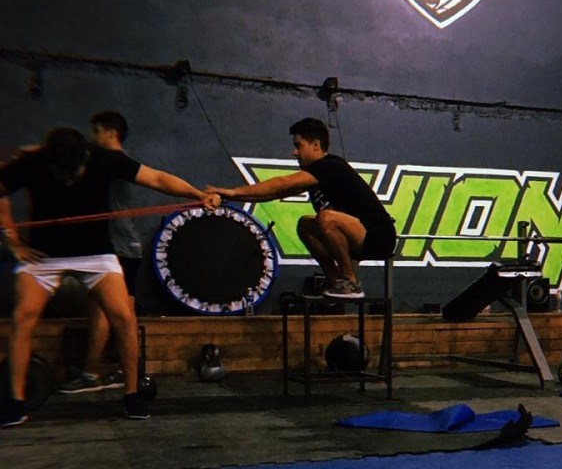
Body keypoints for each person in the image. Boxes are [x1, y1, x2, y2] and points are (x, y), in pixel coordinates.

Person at [0, 127, 220, 427]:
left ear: (85, 157)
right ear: (50, 161)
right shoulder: (33, 162)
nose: (69, 180)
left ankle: (132, 395)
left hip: (96, 255)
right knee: (22, 318)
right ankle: (15, 403)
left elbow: (156, 178)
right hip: (45, 256)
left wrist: (198, 195)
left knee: (124, 316)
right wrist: (13, 241)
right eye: (62, 174)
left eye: (74, 172)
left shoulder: (103, 159)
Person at [206, 117, 396, 299]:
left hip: (379, 236)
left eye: (299, 146)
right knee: (305, 224)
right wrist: (228, 197)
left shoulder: (330, 165)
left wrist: (233, 192)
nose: (294, 152)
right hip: (356, 235)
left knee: (326, 218)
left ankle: (350, 283)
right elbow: (272, 193)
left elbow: (282, 183)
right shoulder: (316, 175)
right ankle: (336, 282)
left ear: (316, 145)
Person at [58, 111, 143, 394]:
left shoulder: (113, 162)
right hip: (125, 246)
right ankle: (124, 373)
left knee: (103, 311)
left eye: (97, 132)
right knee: (121, 313)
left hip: (118, 246)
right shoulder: (113, 163)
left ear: (111, 133)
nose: (93, 138)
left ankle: (92, 373)